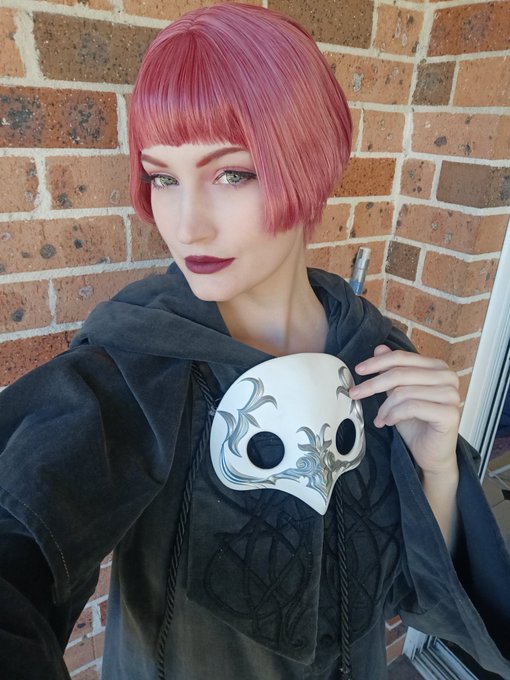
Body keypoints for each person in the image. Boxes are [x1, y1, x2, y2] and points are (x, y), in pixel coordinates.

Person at [0, 4, 509, 679]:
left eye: (232, 174)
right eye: (163, 178)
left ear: (310, 163)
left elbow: (415, 599)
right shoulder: (132, 372)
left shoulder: (376, 353)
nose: (187, 225)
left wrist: (437, 469)